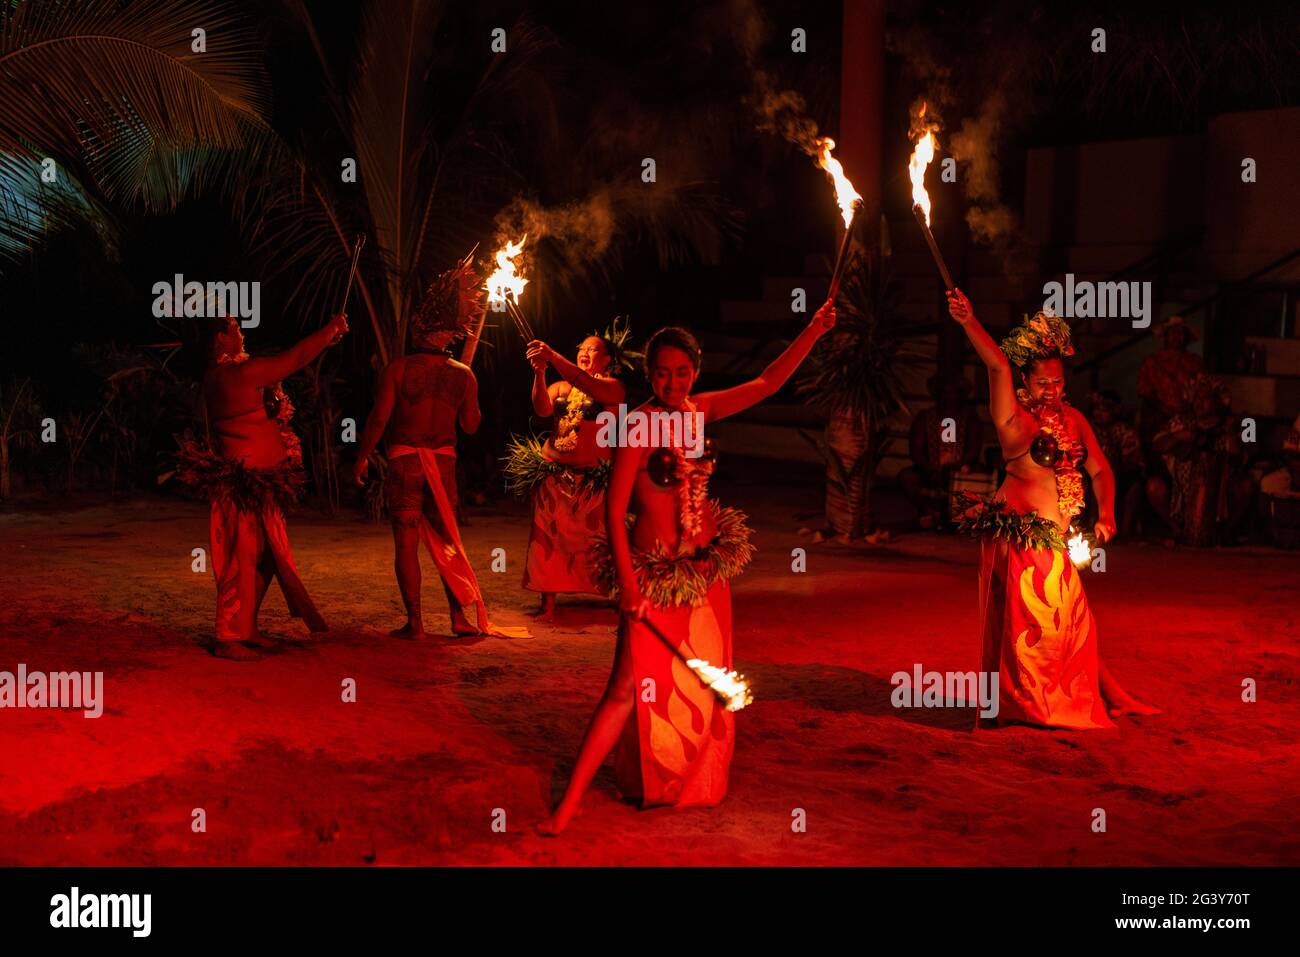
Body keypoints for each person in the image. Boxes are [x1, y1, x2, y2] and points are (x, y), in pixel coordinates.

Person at [538, 300, 836, 836]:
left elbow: (768, 382)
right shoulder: (640, 427)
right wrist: (628, 586)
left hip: (703, 575)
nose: (673, 382)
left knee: (702, 684)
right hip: (652, 575)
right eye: (661, 373)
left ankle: (684, 780)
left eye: (682, 372)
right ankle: (568, 805)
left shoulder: (700, 415)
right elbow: (613, 509)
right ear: (649, 374)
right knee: (625, 688)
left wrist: (813, 329)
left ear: (695, 371)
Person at [946, 289, 1159, 728]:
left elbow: (1099, 470)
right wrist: (968, 321)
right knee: (1034, 626)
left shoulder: (1075, 419)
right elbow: (996, 364)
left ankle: (1109, 694)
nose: (1051, 389)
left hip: (1056, 537)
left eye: (1059, 382)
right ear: (1024, 383)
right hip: (1019, 534)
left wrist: (1107, 514)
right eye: (1042, 382)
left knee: (1077, 621)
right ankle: (1027, 704)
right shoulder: (1012, 419)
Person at [353, 258, 521, 639]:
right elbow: (471, 426)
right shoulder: (464, 375)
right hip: (442, 463)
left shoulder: (399, 368)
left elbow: (379, 420)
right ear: (448, 335)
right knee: (447, 543)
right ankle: (458, 619)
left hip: (405, 460)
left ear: (422, 330)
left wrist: (362, 456)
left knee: (407, 541)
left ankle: (415, 623)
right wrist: (466, 394)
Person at [176, 311, 347, 660]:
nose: (242, 332)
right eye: (235, 328)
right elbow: (294, 358)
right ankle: (228, 637)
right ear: (220, 339)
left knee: (267, 558)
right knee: (242, 560)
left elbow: (292, 360)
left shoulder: (227, 375)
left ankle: (246, 627)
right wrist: (327, 329)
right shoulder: (235, 375)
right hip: (244, 485)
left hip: (264, 484)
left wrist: (325, 338)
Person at [504, 322, 634, 621]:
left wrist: (552, 354)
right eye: (582, 349)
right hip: (555, 475)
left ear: (609, 360)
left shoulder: (613, 388)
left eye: (593, 350)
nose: (585, 354)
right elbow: (541, 410)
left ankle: (617, 597)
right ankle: (548, 605)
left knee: (601, 540)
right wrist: (539, 372)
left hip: (593, 479)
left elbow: (587, 384)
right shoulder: (562, 386)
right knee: (549, 541)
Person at [897, 374, 983, 529]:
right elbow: (916, 449)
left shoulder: (971, 419)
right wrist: (930, 468)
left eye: (953, 392)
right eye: (944, 392)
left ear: (961, 395)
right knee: (907, 477)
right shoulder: (924, 418)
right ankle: (929, 513)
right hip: (929, 472)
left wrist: (956, 469)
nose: (948, 396)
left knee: (981, 482)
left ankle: (954, 517)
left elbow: (973, 450)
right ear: (937, 394)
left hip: (961, 473)